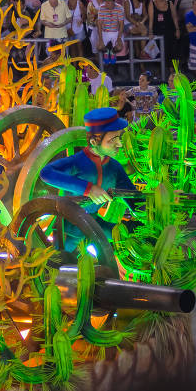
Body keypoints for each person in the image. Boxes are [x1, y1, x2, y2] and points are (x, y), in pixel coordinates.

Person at [39, 107, 135, 272]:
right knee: (54, 266)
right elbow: (46, 173)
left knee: (128, 236)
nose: (119, 144)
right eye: (113, 139)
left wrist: (161, 201)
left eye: (119, 137)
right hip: (70, 227)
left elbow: (135, 200)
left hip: (95, 223)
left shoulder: (115, 168)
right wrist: (88, 188)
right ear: (94, 142)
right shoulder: (78, 162)